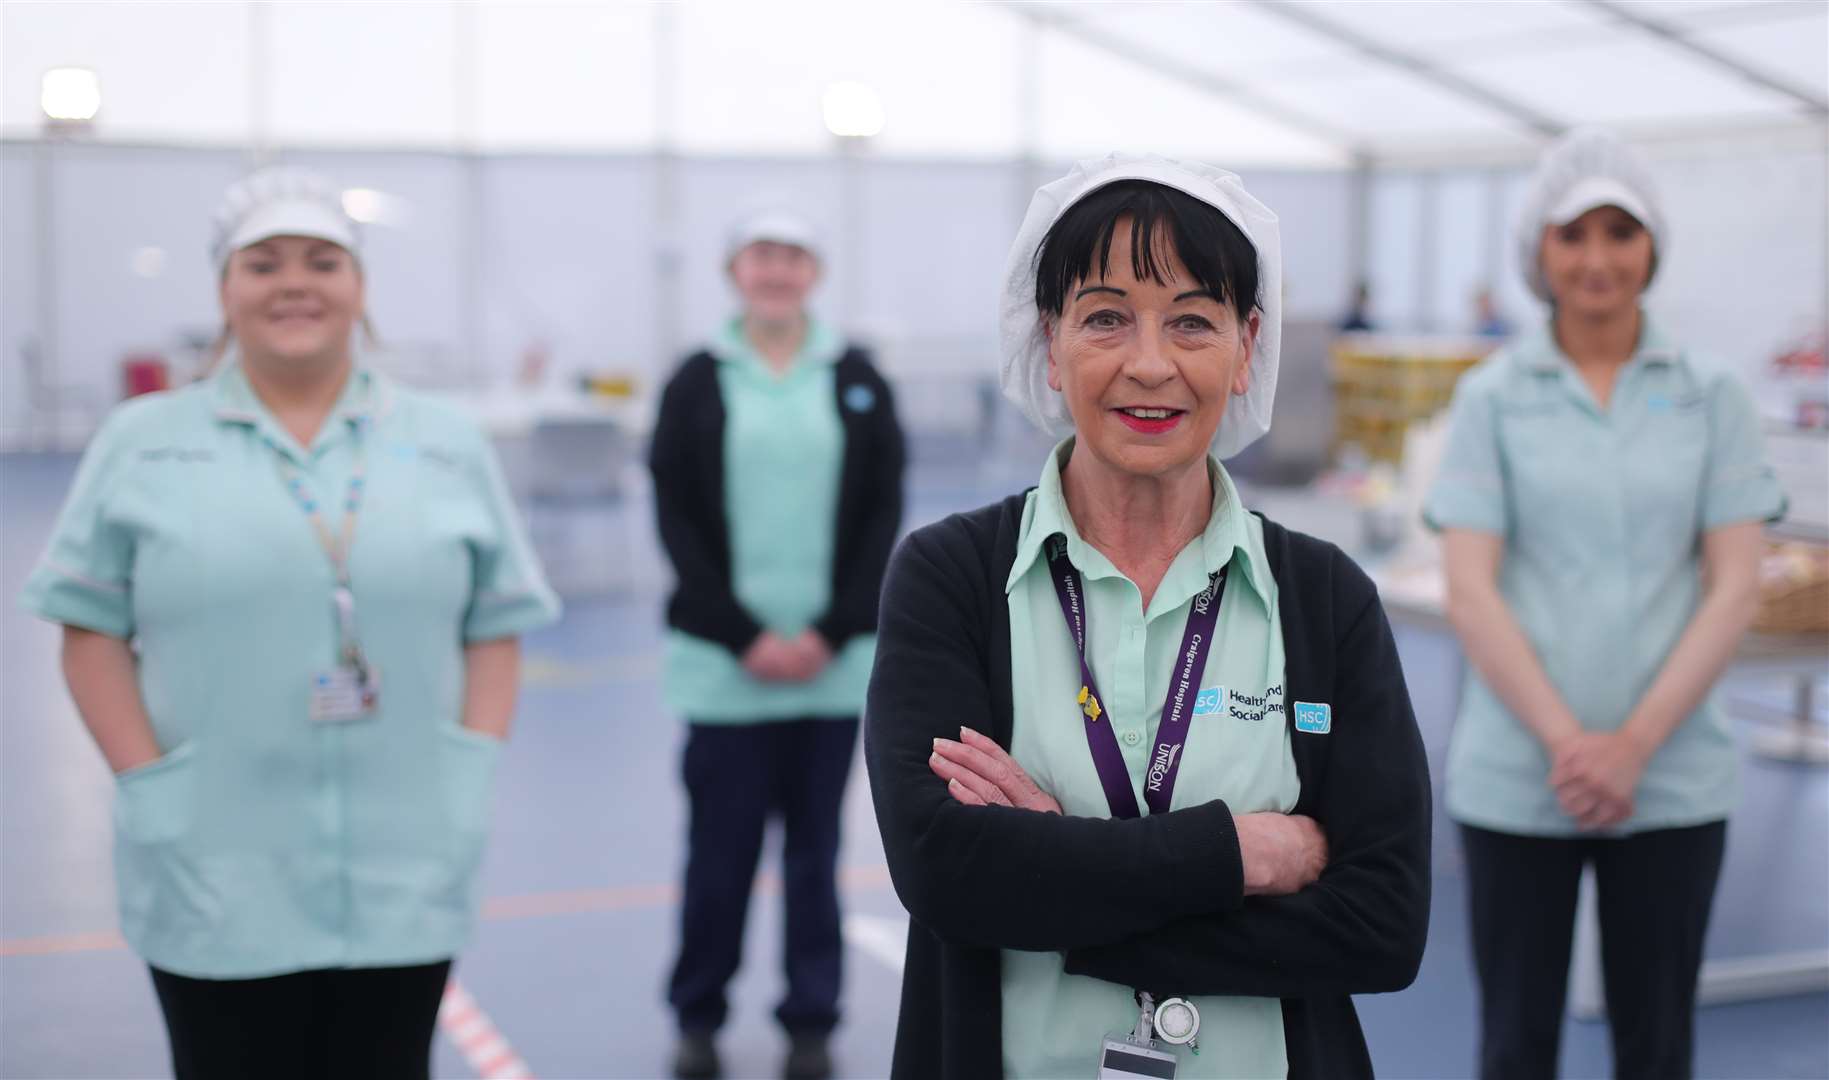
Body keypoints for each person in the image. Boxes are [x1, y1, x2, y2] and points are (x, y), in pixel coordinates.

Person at [864, 153, 1431, 1078]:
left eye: (1193, 321)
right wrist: (1237, 854)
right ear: (1050, 342)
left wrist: (1063, 877)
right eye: (1104, 318)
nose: (1150, 363)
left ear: (1248, 347)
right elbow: (946, 872)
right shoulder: (953, 576)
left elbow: (1383, 927)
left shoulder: (1324, 597)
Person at [19, 166, 560, 1079]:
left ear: (361, 290)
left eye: (323, 261)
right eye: (262, 264)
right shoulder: (144, 441)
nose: (294, 283)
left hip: (407, 851)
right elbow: (89, 627)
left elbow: (493, 623)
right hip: (211, 853)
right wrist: (150, 787)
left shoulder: (443, 442)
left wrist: (470, 771)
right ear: (224, 292)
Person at [1425, 128, 1786, 1080]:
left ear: (1651, 247)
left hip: (1671, 777)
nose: (1595, 258)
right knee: (1512, 1047)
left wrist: (1631, 745)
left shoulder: (1712, 394)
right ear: (1536, 250)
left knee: (1657, 1046)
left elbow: (1735, 582)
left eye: (1618, 232)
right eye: (1570, 233)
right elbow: (1471, 588)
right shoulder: (1491, 397)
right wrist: (1566, 742)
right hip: (1516, 776)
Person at [649, 210, 905, 1080]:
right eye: (763, 255)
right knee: (717, 861)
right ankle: (698, 1015)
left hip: (828, 676)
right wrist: (743, 635)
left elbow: (881, 514)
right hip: (725, 675)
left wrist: (829, 632)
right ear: (735, 268)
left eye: (793, 256)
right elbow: (676, 519)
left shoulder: (855, 376)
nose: (777, 270)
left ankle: (810, 1023)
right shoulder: (696, 381)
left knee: (813, 861)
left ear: (814, 271)